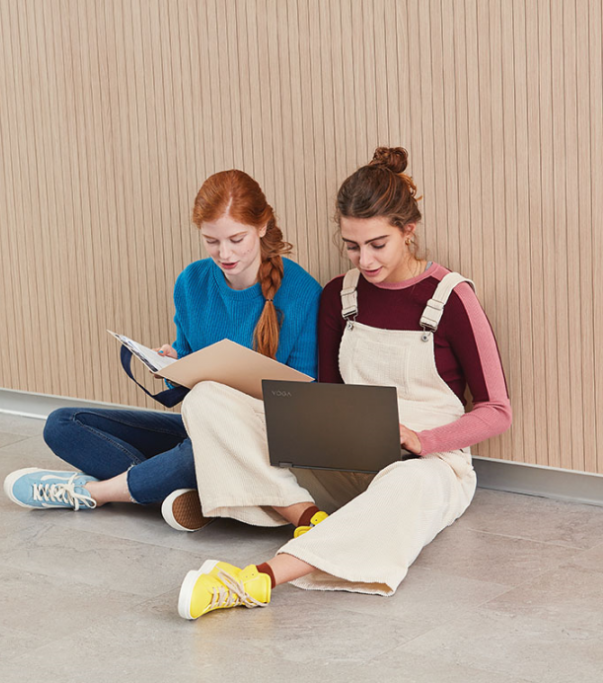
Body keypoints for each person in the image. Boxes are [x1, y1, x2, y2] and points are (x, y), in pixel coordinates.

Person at [176, 147, 512, 620]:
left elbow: (497, 410)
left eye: (378, 244)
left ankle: (258, 578)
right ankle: (306, 516)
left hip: (427, 464)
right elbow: (328, 393)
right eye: (352, 246)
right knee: (209, 399)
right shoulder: (340, 294)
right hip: (346, 458)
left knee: (410, 488)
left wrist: (421, 439)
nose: (365, 260)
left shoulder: (451, 297)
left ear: (408, 230)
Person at [2, 170, 322, 527]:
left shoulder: (303, 292)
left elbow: (305, 402)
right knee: (62, 424)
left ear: (262, 227)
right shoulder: (192, 282)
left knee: (196, 455)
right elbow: (183, 386)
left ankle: (95, 493)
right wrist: (173, 365)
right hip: (197, 425)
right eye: (212, 241)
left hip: (258, 440)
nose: (225, 253)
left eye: (237, 239)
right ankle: (187, 492)